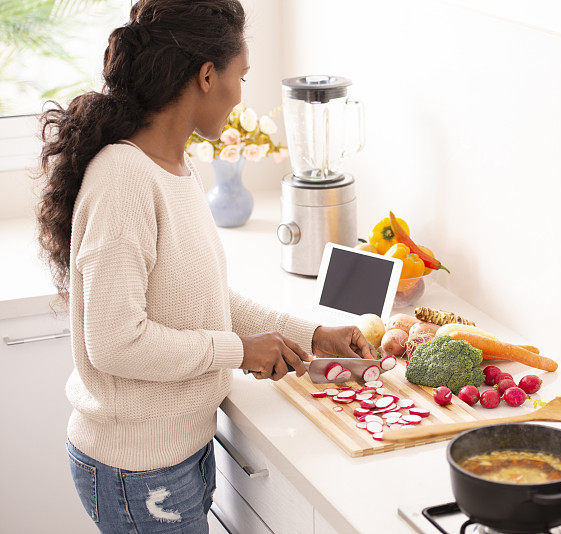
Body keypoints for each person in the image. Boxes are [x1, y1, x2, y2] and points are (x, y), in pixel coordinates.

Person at [35, 1, 377, 531]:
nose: (241, 95)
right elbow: (115, 342)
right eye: (242, 76)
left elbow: (206, 302)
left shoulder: (175, 166)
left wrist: (312, 333)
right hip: (136, 470)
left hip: (173, 456)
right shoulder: (124, 179)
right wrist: (240, 351)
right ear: (206, 75)